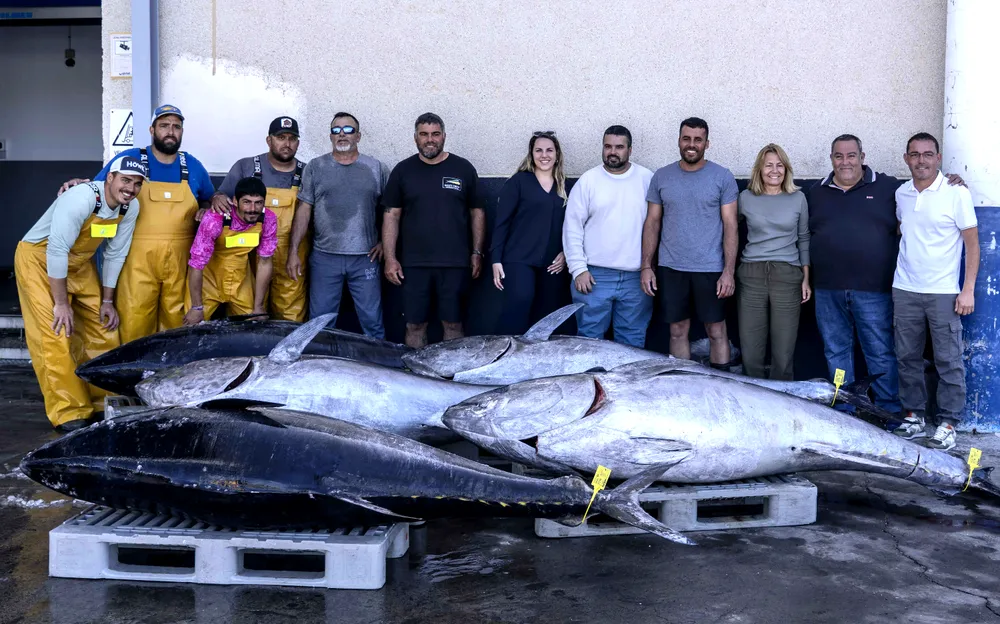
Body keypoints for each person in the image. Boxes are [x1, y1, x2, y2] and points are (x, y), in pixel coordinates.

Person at [63, 105, 216, 345]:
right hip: (135, 261)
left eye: (176, 127)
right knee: (133, 324)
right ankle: (134, 379)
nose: (170, 131)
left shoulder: (193, 165)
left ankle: (173, 380)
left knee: (178, 327)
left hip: (180, 263)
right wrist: (77, 186)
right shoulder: (131, 159)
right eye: (164, 125)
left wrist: (208, 206)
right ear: (152, 129)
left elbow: (208, 196)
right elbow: (99, 188)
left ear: (182, 132)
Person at [16, 157, 146, 431]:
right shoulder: (81, 199)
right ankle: (69, 411)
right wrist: (61, 303)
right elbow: (56, 250)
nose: (130, 188)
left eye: (137, 183)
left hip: (79, 262)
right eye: (125, 180)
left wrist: (108, 301)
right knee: (55, 333)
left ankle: (103, 402)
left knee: (103, 327)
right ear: (109, 178)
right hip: (40, 260)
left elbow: (115, 253)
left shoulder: (129, 208)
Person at [891, 133, 978, 451]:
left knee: (948, 360)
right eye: (914, 154)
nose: (921, 160)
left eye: (928, 154)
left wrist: (967, 290)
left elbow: (972, 244)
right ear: (906, 158)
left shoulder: (956, 192)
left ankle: (948, 422)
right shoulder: (901, 194)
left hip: (943, 291)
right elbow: (904, 230)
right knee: (907, 357)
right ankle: (913, 416)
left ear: (938, 158)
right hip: (905, 288)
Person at [641, 117, 739, 366]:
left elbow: (731, 225)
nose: (691, 144)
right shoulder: (662, 177)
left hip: (711, 268)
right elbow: (652, 222)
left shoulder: (722, 177)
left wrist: (728, 272)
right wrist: (646, 267)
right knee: (677, 331)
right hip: (672, 267)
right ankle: (683, 384)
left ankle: (722, 386)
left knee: (717, 332)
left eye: (698, 139)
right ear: (679, 141)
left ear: (707, 143)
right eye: (686, 139)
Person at [382, 112, 485, 348]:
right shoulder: (403, 171)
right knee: (415, 325)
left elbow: (477, 212)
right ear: (415, 138)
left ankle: (449, 378)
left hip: (455, 263)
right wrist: (390, 258)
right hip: (413, 264)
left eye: (435, 134)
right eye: (424, 134)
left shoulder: (463, 168)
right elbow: (391, 215)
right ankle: (416, 379)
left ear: (444, 137)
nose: (430, 139)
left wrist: (477, 253)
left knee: (453, 324)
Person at [288, 112, 389, 337]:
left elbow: (388, 211)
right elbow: (304, 210)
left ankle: (380, 369)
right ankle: (321, 369)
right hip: (325, 258)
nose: (341, 134)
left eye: (348, 129)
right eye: (336, 130)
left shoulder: (377, 168)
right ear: (331, 136)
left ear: (359, 136)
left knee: (372, 322)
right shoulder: (315, 167)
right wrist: (293, 251)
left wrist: (384, 242)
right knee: (320, 325)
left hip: (366, 258)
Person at [563, 125, 653, 348]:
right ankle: (589, 384)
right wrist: (578, 269)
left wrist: (649, 267)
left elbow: (657, 225)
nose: (613, 152)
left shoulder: (647, 179)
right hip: (594, 276)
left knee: (632, 343)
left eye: (619, 147)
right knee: (589, 342)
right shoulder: (588, 180)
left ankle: (627, 385)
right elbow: (572, 227)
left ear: (630, 150)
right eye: (608, 146)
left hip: (636, 278)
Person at [212, 116, 307, 321]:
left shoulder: (308, 172)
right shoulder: (245, 166)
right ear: (269, 140)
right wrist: (217, 197)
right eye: (281, 137)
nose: (287, 143)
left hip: (292, 253)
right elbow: (222, 197)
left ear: (298, 143)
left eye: (292, 138)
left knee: (291, 315)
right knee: (248, 315)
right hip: (248, 256)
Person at [735, 144, 811, 380]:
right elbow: (730, 232)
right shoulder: (745, 198)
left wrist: (805, 278)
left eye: (779, 165)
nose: (774, 170)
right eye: (769, 165)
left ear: (786, 169)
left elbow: (803, 238)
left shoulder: (798, 198)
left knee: (783, 350)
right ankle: (753, 404)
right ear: (759, 169)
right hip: (751, 274)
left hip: (787, 276)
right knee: (751, 349)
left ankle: (782, 405)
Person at [490, 131, 568, 334]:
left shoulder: (564, 186)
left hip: (553, 263)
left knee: (546, 316)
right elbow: (502, 222)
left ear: (557, 154)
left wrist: (566, 253)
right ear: (531, 154)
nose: (544, 155)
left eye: (549, 150)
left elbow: (572, 225)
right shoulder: (518, 182)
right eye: (539, 150)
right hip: (519, 259)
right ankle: (504, 354)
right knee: (519, 305)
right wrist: (495, 259)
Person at [183, 177, 277, 324]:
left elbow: (265, 262)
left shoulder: (268, 219)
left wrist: (258, 306)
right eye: (246, 202)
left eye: (258, 203)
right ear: (235, 201)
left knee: (252, 324)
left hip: (241, 280)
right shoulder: (214, 219)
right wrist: (196, 307)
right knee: (191, 326)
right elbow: (196, 264)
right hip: (208, 281)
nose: (252, 209)